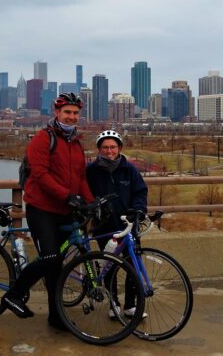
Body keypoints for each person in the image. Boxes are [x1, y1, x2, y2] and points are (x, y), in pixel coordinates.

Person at [1, 92, 94, 331]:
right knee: (51, 258)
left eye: (75, 113)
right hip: (41, 209)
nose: (72, 117)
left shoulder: (76, 144)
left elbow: (81, 178)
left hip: (65, 210)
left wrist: (90, 203)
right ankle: (14, 294)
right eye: (67, 113)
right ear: (57, 113)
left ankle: (56, 316)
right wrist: (67, 196)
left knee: (57, 265)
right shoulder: (43, 139)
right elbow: (40, 175)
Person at [85, 129, 148, 318]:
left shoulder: (129, 169)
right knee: (108, 267)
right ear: (98, 149)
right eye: (105, 147)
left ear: (119, 148)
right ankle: (113, 304)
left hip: (128, 225)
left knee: (133, 266)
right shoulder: (91, 170)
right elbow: (84, 193)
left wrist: (138, 210)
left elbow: (140, 192)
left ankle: (130, 305)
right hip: (104, 226)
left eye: (113, 147)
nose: (109, 151)